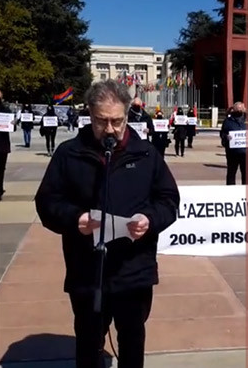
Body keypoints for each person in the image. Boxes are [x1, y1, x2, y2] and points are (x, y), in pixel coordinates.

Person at [34, 79, 180, 368]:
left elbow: (169, 200)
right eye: (102, 121)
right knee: (88, 340)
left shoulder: (147, 154)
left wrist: (148, 221)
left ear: (127, 116)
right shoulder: (69, 154)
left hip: (134, 269)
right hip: (87, 271)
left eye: (117, 121)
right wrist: (76, 219)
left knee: (132, 338)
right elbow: (47, 202)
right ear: (89, 114)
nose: (110, 129)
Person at [220, 101, 248, 185]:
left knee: (246, 173)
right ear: (233, 109)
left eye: (241, 109)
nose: (239, 110)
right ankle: (230, 191)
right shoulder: (227, 121)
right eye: (237, 109)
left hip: (245, 152)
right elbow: (222, 133)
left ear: (244, 109)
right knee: (231, 173)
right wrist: (226, 137)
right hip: (232, 152)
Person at [0, 89, 15, 202]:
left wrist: (13, 124)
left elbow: (12, 127)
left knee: (0, 169)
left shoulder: (6, 111)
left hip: (1, 145)